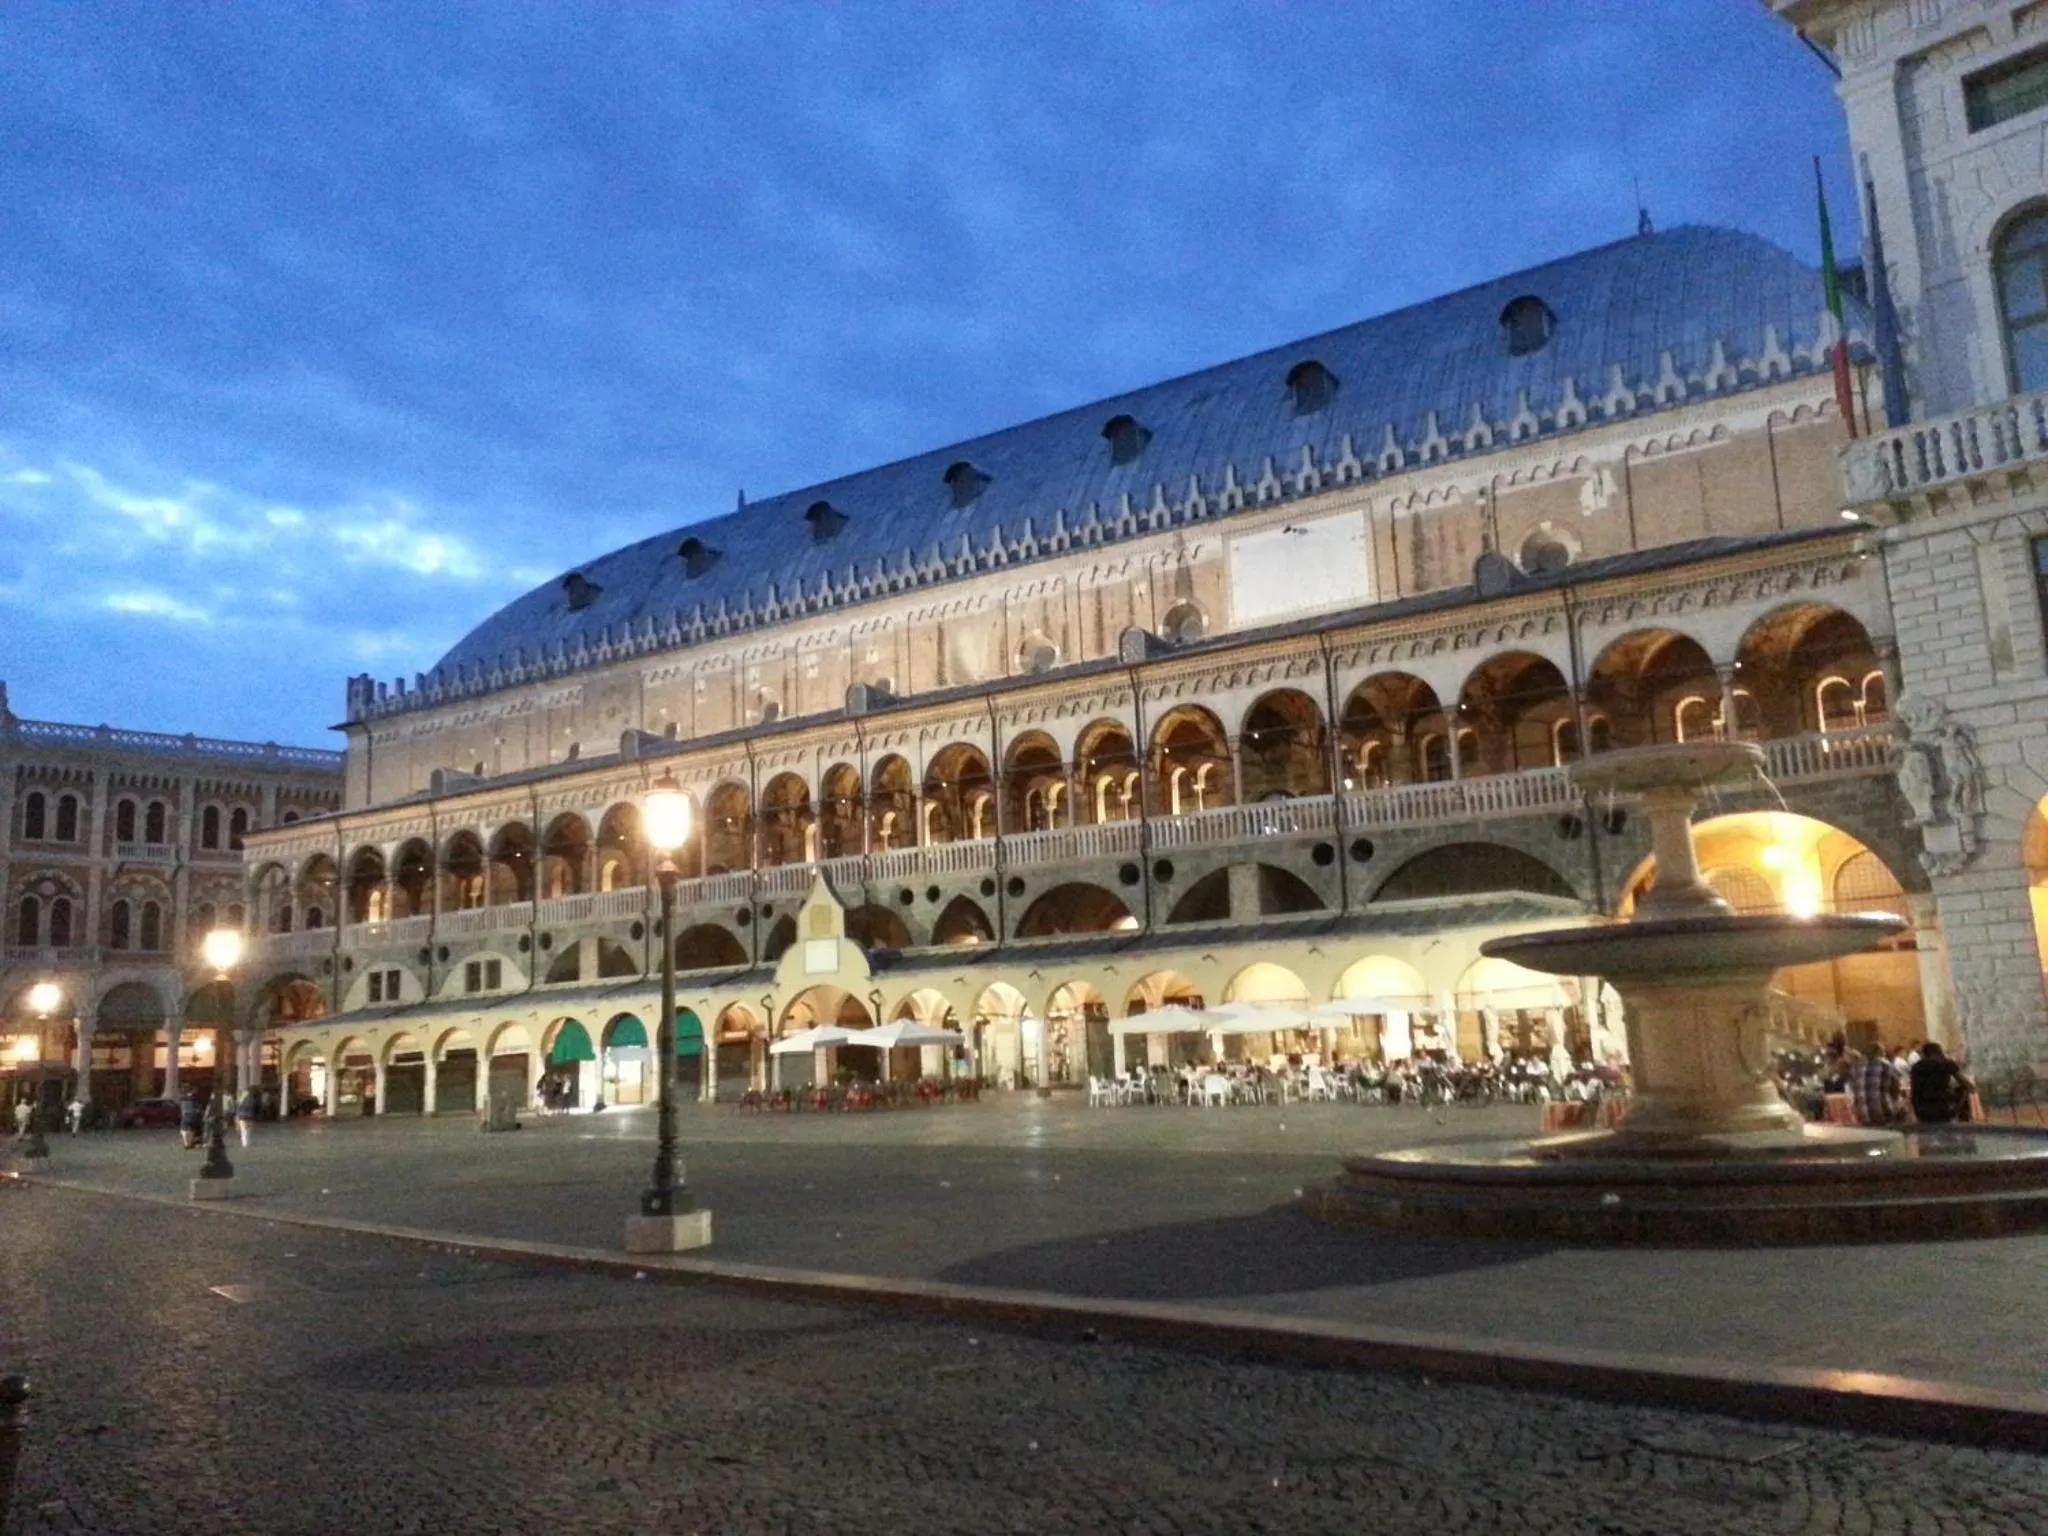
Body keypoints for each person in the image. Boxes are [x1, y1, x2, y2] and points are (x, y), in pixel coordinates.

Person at [1909, 1041, 1972, 1124]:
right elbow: (1967, 1084)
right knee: (1964, 1089)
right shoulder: (1946, 1063)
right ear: (1939, 1051)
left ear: (1924, 1054)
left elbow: (1913, 1089)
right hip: (1942, 1106)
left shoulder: (1915, 1067)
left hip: (1921, 1108)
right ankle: (1960, 1119)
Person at [1847, 1048, 1905, 1126]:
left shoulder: (1856, 1068)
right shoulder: (1886, 1065)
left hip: (1862, 1115)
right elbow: (1897, 1087)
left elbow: (1853, 1090)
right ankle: (1901, 1132)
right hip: (1883, 1113)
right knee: (1903, 1105)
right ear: (1880, 1053)